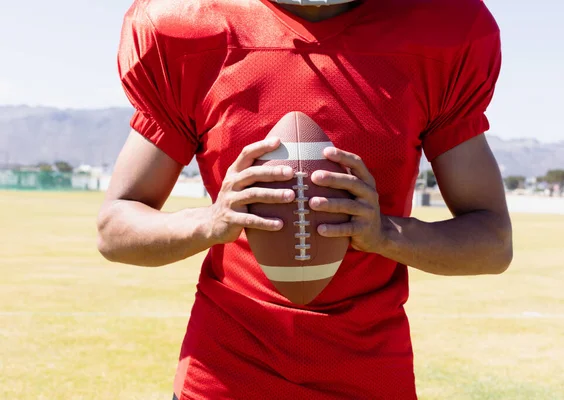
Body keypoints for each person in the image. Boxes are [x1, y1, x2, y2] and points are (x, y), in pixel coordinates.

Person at [97, 0, 513, 398]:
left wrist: (385, 233)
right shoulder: (188, 26)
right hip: (224, 375)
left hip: (368, 377)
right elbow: (115, 228)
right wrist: (210, 221)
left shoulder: (440, 30)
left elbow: (492, 244)